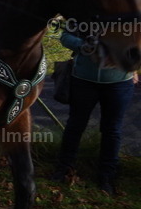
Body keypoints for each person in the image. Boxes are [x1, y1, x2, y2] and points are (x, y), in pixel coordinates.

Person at [52, 29, 138, 193]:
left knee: (112, 130)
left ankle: (107, 175)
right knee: (75, 126)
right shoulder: (84, 16)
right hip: (83, 80)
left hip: (119, 83)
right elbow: (65, 36)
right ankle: (64, 168)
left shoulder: (128, 18)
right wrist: (83, 46)